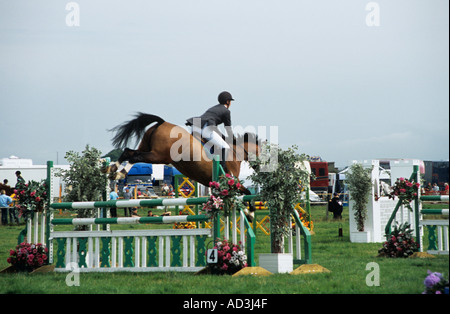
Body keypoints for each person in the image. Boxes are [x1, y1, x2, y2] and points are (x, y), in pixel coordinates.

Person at [186, 91, 234, 171]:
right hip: (205, 128)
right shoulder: (226, 111)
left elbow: (217, 131)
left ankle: (209, 163)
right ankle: (221, 172)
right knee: (225, 147)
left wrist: (223, 137)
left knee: (211, 146)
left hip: (195, 125)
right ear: (227, 101)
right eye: (230, 101)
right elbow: (228, 128)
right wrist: (232, 138)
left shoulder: (214, 108)